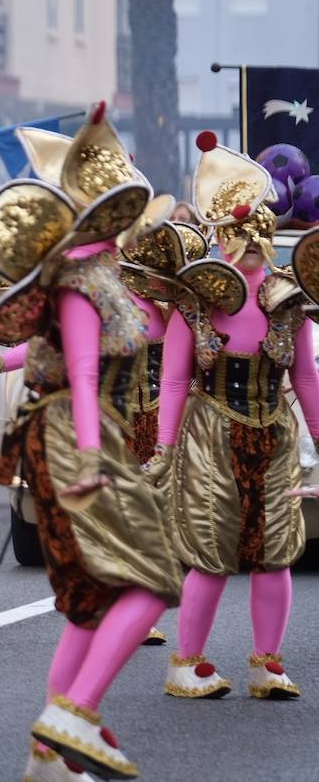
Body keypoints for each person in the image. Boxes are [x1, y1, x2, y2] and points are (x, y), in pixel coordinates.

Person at [0, 107, 181, 780]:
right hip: (77, 437)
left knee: (92, 603)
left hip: (87, 432)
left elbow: (63, 358)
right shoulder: (79, 278)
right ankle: (74, 715)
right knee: (153, 580)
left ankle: (46, 755)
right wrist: (92, 458)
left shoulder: (103, 272)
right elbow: (82, 373)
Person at [152, 133, 319, 703]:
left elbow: (306, 377)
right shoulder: (197, 296)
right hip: (211, 433)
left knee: (276, 553)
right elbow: (174, 378)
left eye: (258, 230)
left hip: (273, 433)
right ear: (222, 234)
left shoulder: (289, 296)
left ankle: (266, 663)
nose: (250, 241)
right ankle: (188, 661)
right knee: (213, 552)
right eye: (238, 231)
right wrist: (166, 446)